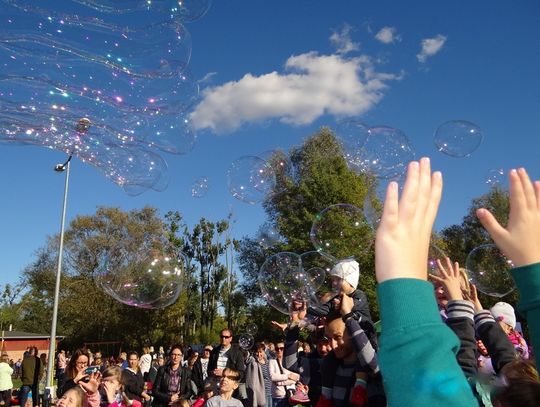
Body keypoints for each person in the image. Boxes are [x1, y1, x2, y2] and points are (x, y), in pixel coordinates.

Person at [208, 329, 246, 399]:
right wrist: (213, 373)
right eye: (222, 336)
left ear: (230, 338)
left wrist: (224, 373)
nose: (223, 338)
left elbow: (241, 373)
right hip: (215, 389)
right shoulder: (214, 351)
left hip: (230, 390)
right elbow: (209, 370)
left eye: (226, 337)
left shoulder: (237, 353)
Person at [268, 342, 299, 407]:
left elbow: (296, 378)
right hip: (278, 398)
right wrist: (288, 376)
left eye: (281, 348)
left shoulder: (291, 362)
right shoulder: (272, 362)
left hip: (291, 395)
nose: (279, 350)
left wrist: (279, 383)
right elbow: (272, 377)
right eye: (277, 349)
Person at [245, 343, 272, 407]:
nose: (259, 354)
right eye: (257, 352)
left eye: (260, 352)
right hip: (261, 392)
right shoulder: (253, 363)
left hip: (270, 391)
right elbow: (250, 380)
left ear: (264, 351)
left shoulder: (267, 362)